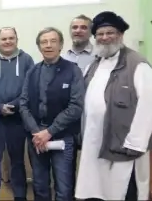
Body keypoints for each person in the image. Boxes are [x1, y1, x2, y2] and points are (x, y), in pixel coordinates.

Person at [75, 11, 152, 201]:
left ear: (120, 35)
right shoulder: (93, 65)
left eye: (110, 33)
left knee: (123, 190)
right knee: (96, 190)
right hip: (94, 142)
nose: (104, 38)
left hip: (124, 145)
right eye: (100, 34)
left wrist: (135, 143)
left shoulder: (137, 65)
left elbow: (149, 106)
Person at [18, 27, 85, 201]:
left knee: (63, 188)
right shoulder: (32, 71)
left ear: (61, 45)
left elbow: (76, 107)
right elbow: (23, 104)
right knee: (40, 186)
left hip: (62, 138)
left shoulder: (73, 71)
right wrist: (36, 132)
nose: (48, 45)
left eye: (53, 41)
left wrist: (49, 132)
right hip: (36, 138)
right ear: (39, 47)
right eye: (44, 42)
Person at [0, 27, 34, 201]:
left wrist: (12, 105)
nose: (8, 42)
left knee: (17, 160)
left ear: (17, 40)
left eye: (11, 38)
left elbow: (30, 89)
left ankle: (20, 194)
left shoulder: (26, 60)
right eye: (4, 39)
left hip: (17, 119)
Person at [61, 14, 96, 197]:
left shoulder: (99, 56)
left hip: (92, 120)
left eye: (83, 27)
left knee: (92, 168)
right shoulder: (64, 57)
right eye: (75, 27)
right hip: (69, 121)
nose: (78, 31)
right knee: (67, 168)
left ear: (90, 31)